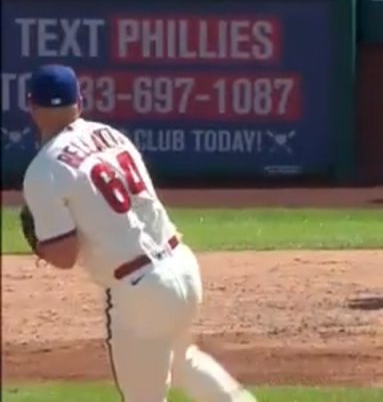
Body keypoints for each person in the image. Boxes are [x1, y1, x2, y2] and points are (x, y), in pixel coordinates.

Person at [19, 65, 255, 401]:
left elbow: (64, 256)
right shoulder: (112, 136)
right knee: (182, 360)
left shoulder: (43, 170)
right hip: (182, 266)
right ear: (80, 102)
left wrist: (41, 245)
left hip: (139, 290)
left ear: (31, 106)